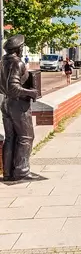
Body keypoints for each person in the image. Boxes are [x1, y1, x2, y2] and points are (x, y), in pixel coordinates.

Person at [0, 34, 39, 181]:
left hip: (6, 103)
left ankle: (8, 172)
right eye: (21, 47)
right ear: (18, 48)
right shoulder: (17, 63)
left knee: (10, 138)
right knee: (26, 137)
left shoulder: (2, 62)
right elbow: (13, 88)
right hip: (18, 105)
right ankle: (21, 171)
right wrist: (31, 92)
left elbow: (3, 87)